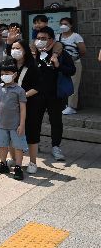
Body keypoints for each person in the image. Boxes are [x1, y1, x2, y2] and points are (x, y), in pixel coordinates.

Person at [0, 41, 41, 173]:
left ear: (25, 50)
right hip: (9, 107)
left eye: (18, 48)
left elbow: (38, 87)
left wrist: (21, 96)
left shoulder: (32, 66)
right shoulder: (8, 63)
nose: (15, 50)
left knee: (31, 133)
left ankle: (33, 162)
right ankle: (13, 159)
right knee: (10, 133)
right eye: (13, 48)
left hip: (30, 103)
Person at [32, 27, 75, 161]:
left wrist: (58, 66)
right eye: (38, 38)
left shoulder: (60, 53)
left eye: (43, 39)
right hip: (36, 94)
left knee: (56, 121)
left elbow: (72, 70)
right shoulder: (33, 53)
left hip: (55, 94)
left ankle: (56, 146)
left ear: (51, 40)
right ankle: (34, 144)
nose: (40, 41)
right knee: (34, 120)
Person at [0, 59, 28, 180]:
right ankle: (2, 164)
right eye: (2, 74)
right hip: (1, 124)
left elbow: (23, 109)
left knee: (18, 146)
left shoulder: (19, 91)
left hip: (15, 125)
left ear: (14, 75)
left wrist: (22, 124)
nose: (4, 76)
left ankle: (18, 167)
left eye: (7, 73)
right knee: (2, 145)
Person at [57, 17, 85, 115]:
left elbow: (83, 50)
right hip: (61, 65)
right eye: (61, 23)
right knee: (62, 83)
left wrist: (74, 57)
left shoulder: (76, 36)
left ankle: (71, 106)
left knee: (73, 84)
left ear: (71, 25)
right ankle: (63, 104)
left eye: (66, 24)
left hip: (74, 63)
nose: (63, 26)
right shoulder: (58, 37)